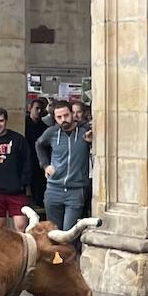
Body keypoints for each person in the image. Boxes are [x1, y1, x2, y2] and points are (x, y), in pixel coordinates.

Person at [36, 99, 91, 233]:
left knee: (69, 232)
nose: (63, 120)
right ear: (54, 118)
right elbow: (39, 145)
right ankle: (56, 255)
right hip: (54, 189)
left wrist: (91, 143)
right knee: (54, 232)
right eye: (59, 117)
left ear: (72, 114)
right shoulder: (52, 132)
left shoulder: (85, 131)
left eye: (66, 115)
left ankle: (69, 254)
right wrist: (45, 165)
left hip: (76, 190)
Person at [25, 98, 48, 207]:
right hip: (26, 158)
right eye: (36, 108)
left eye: (41, 109)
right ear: (30, 108)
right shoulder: (24, 124)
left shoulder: (44, 128)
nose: (39, 111)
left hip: (39, 159)